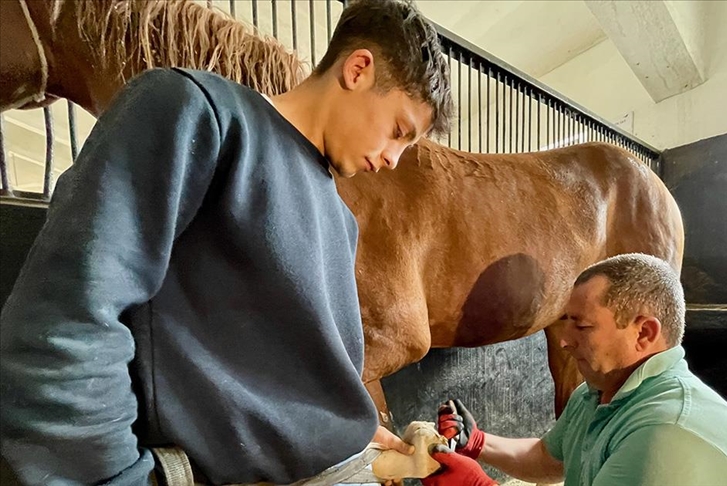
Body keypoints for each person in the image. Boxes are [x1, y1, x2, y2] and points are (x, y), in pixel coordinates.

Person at [0, 0, 452, 484]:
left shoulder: (339, 218)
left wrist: (347, 433)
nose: (393, 159)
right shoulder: (197, 112)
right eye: (398, 132)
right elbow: (67, 314)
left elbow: (272, 378)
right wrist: (111, 476)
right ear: (358, 70)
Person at [422, 254, 727, 486]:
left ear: (644, 333)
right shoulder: (599, 393)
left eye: (582, 326)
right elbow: (547, 459)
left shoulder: (664, 434)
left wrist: (478, 485)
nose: (564, 341)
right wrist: (478, 442)